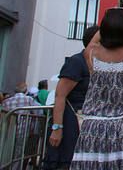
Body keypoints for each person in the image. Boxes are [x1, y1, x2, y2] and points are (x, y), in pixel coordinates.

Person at [70, 0, 123, 170]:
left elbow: (92, 43)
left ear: (104, 29)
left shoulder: (91, 54)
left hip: (93, 130)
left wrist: (108, 20)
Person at [44, 26, 99, 170]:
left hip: (87, 123)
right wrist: (57, 127)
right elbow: (60, 95)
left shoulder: (97, 64)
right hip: (71, 122)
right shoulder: (76, 62)